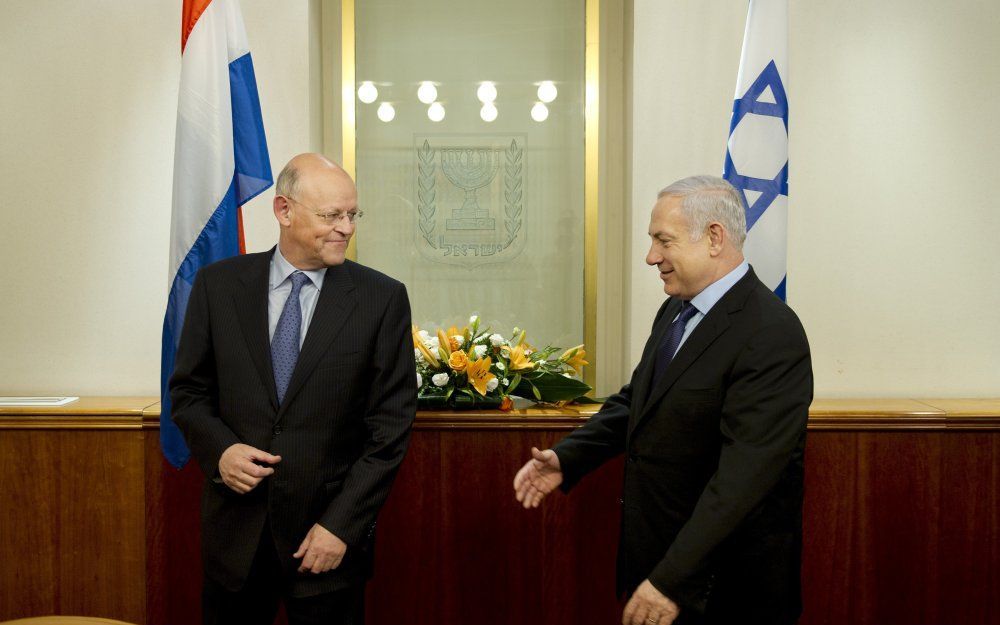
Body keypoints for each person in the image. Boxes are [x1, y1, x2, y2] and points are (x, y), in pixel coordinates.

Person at [514, 175, 812, 625]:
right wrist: (568, 457)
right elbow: (639, 402)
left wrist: (673, 579)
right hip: (658, 568)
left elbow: (742, 483)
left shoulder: (771, 333)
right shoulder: (676, 309)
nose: (651, 257)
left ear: (714, 237)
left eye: (663, 241)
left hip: (721, 591)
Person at [170, 153, 416, 625]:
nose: (345, 227)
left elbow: (389, 430)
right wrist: (220, 452)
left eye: (352, 214)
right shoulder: (218, 286)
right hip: (235, 542)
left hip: (326, 544)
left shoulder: (381, 299)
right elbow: (189, 393)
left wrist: (341, 526)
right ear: (284, 210)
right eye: (331, 216)